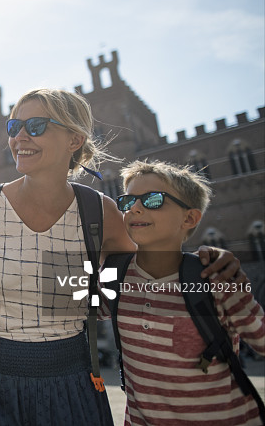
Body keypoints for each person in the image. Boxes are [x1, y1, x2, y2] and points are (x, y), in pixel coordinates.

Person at [0, 88, 244, 425]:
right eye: (14, 127)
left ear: (74, 138)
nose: (20, 137)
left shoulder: (101, 212)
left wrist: (206, 264)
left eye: (36, 126)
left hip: (74, 379)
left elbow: (139, 286)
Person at [106, 160, 265, 425]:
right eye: (126, 202)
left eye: (152, 200)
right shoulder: (115, 279)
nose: (134, 208)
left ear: (189, 218)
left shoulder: (216, 278)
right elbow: (67, 306)